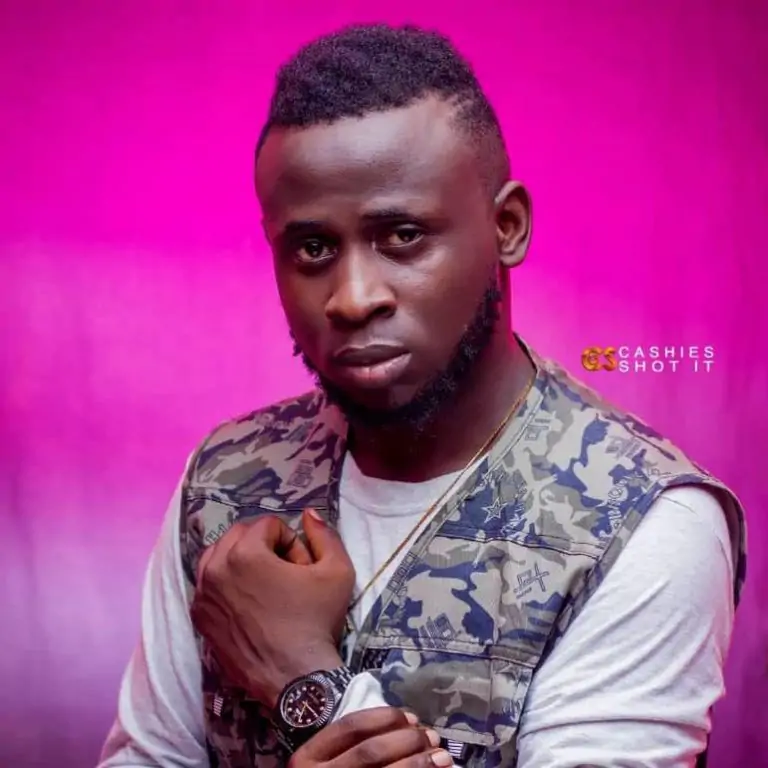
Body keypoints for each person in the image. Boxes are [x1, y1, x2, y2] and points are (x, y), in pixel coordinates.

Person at [98, 22, 747, 768]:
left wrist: (302, 677)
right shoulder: (225, 480)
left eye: (403, 235)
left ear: (507, 228)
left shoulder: (643, 519)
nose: (352, 297)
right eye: (313, 248)